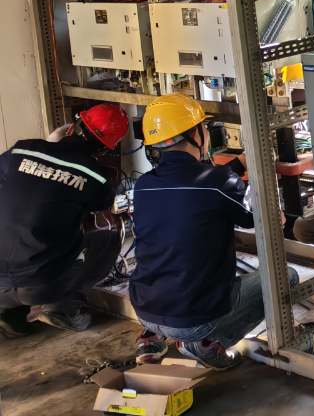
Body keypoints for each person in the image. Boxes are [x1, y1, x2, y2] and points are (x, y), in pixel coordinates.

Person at [130, 94, 293, 369]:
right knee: (287, 277)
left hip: (145, 308)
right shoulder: (218, 183)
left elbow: (198, 186)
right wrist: (274, 212)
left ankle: (152, 339)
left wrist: (237, 165)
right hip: (191, 319)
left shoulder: (144, 185)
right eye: (204, 128)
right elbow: (255, 218)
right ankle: (205, 343)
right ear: (196, 134)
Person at [0, 103, 129, 336]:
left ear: (72, 126)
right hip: (40, 283)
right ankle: (63, 306)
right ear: (107, 148)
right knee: (108, 240)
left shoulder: (23, 150)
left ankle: (11, 312)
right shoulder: (93, 176)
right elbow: (104, 205)